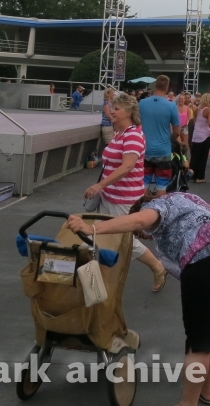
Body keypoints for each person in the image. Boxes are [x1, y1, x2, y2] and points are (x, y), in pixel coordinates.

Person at [67, 192, 210, 406]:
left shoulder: (157, 206)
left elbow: (140, 219)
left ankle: (187, 403)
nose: (143, 235)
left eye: (140, 234)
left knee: (198, 339)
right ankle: (207, 391)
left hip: (206, 256)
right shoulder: (185, 198)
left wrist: (91, 229)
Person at [84, 93, 167, 291]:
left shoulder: (133, 136)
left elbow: (127, 166)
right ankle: (96, 277)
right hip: (110, 196)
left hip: (124, 199)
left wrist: (100, 185)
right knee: (98, 235)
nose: (112, 111)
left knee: (123, 240)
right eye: (112, 108)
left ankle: (157, 267)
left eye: (117, 108)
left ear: (128, 112)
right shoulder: (120, 133)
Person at [140, 75, 182, 195]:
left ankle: (142, 210)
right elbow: (177, 131)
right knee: (161, 186)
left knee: (144, 183)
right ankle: (158, 212)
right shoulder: (171, 106)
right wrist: (170, 140)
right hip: (163, 150)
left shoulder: (142, 103)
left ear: (155, 85)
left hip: (144, 149)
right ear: (167, 87)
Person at [189, 93, 210, 183]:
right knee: (203, 157)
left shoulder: (197, 109)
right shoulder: (208, 110)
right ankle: (200, 177)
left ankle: (193, 175)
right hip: (205, 135)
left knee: (195, 156)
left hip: (196, 135)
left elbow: (195, 122)